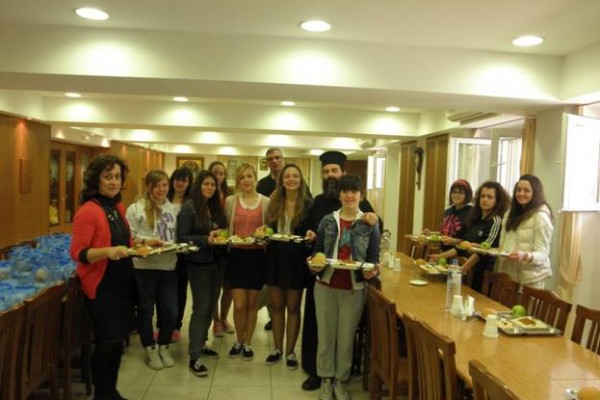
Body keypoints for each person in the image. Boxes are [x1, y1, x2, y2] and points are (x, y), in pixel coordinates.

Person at [301, 150, 379, 391]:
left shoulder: (366, 216)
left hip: (353, 286)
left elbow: (373, 253)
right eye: (326, 172)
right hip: (324, 280)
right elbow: (314, 243)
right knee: (323, 334)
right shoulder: (323, 211)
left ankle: (340, 380)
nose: (330, 175)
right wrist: (312, 254)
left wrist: (371, 270)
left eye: (334, 170)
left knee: (345, 338)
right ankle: (321, 376)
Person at [70, 155, 133, 400]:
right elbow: (78, 253)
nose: (114, 181)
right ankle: (103, 394)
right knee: (106, 343)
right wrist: (107, 252)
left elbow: (124, 242)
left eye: (117, 176)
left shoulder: (117, 207)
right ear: (96, 180)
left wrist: (144, 242)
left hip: (121, 283)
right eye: (108, 177)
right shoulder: (88, 210)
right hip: (101, 286)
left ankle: (111, 392)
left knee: (116, 342)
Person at [177, 170, 228, 377]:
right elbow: (182, 237)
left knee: (210, 308)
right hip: (198, 265)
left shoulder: (214, 207)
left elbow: (222, 229)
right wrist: (205, 239)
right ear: (198, 185)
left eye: (213, 185)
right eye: (206, 184)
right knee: (200, 308)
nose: (210, 188)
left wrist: (221, 233)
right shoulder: (189, 207)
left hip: (217, 264)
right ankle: (194, 357)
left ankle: (202, 343)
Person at [126, 169, 178, 370]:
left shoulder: (172, 208)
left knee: (170, 311)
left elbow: (175, 237)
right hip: (144, 267)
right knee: (146, 311)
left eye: (164, 185)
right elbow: (129, 239)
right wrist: (148, 242)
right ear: (148, 186)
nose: (161, 189)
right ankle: (150, 349)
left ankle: (164, 346)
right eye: (156, 186)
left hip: (168, 266)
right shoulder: (135, 208)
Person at [264, 164, 313, 369]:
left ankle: (291, 352)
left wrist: (311, 235)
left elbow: (312, 231)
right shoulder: (274, 202)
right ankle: (277, 348)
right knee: (277, 307)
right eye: (287, 176)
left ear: (300, 180)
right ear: (282, 181)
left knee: (293, 307)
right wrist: (263, 231)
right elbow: (268, 228)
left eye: (295, 176)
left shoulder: (309, 205)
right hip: (275, 258)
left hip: (296, 260)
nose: (291, 179)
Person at [224, 163, 270, 360]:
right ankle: (238, 340)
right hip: (236, 257)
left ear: (255, 178)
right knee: (239, 304)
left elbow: (269, 229)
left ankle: (248, 343)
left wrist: (264, 233)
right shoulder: (230, 201)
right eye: (242, 177)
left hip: (257, 258)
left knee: (252, 304)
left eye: (249, 176)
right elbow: (227, 228)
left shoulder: (266, 202)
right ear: (238, 181)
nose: (246, 180)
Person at [430, 181, 510, 292]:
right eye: (482, 196)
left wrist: (462, 269)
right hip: (469, 271)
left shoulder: (495, 220)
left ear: (497, 201)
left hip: (483, 274)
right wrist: (440, 256)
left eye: (489, 197)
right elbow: (463, 246)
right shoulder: (475, 218)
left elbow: (483, 251)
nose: (485, 200)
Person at [155, 167, 193, 343]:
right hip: (164, 250)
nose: (180, 183)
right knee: (162, 290)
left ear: (189, 183)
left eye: (184, 180)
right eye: (177, 179)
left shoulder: (191, 202)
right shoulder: (163, 199)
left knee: (180, 290)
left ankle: (176, 326)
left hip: (183, 252)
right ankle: (161, 325)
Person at [496, 175, 554, 288]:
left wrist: (525, 256)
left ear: (535, 193)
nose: (521, 193)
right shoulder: (509, 213)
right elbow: (502, 245)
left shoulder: (541, 217)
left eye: (526, 190)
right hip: (507, 275)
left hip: (530, 279)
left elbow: (542, 254)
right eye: (519, 190)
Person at [256, 148, 284, 330]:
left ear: (282, 159)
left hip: (287, 239)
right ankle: (272, 316)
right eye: (270, 159)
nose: (274, 161)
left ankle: (279, 315)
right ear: (267, 163)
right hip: (268, 239)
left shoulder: (291, 179)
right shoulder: (262, 184)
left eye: (277, 158)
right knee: (268, 280)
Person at [208, 160, 235, 337]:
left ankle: (224, 318)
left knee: (229, 286)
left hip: (229, 245)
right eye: (215, 173)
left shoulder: (230, 194)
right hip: (212, 244)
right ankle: (216, 320)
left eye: (221, 173)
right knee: (214, 287)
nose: (218, 176)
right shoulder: (206, 193)